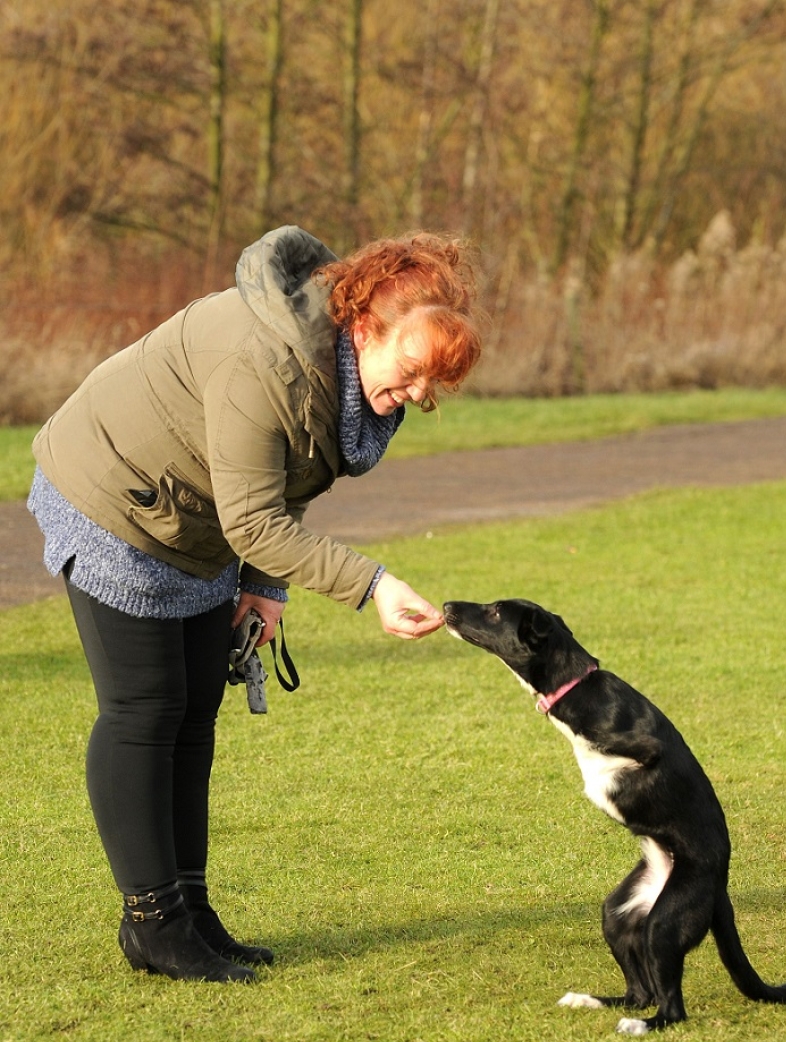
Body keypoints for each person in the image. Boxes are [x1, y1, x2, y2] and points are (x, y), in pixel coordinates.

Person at [28, 225, 482, 983]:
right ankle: (152, 923)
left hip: (197, 517)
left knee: (197, 701)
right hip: (114, 493)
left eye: (432, 385)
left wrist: (265, 586)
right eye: (410, 372)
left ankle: (190, 908)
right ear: (363, 322)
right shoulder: (264, 359)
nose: (417, 395)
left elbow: (282, 483)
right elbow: (253, 520)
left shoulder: (347, 379)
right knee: (147, 707)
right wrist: (370, 585)